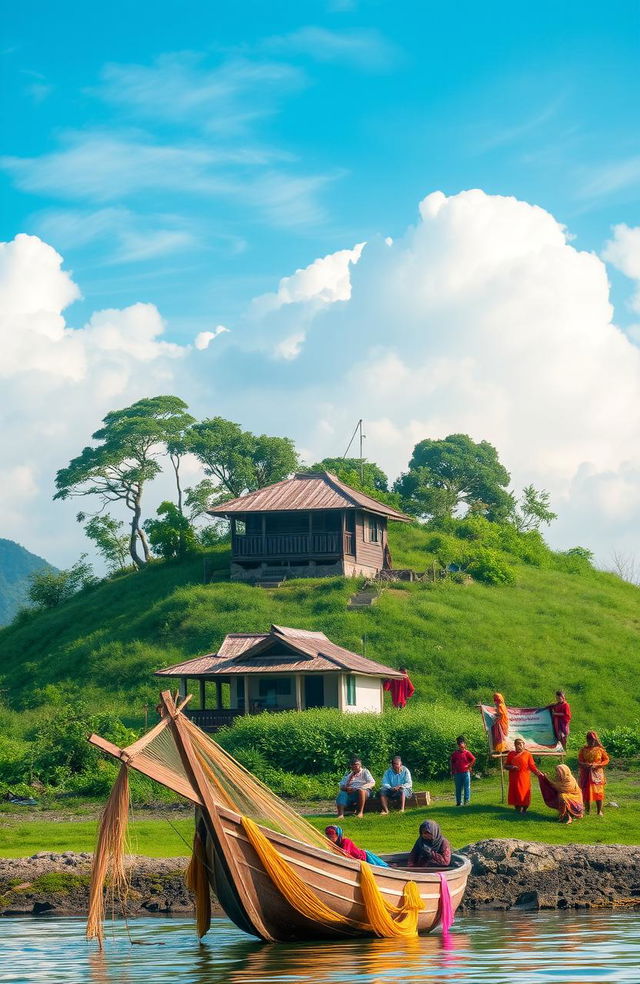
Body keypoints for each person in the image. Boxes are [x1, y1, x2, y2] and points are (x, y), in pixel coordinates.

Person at [505, 737, 542, 813]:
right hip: (514, 778)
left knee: (524, 793)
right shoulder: (511, 754)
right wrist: (511, 767)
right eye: (517, 745)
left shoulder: (528, 754)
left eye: (521, 744)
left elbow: (532, 766)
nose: (519, 746)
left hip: (524, 778)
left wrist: (539, 774)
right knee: (516, 793)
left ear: (524, 745)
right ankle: (517, 809)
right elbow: (505, 765)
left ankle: (525, 809)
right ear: (515, 745)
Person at [578, 731, 610, 817]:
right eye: (589, 740)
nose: (591, 742)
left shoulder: (600, 750)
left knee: (598, 792)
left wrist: (597, 765)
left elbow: (606, 760)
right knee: (586, 792)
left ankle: (599, 811)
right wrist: (584, 765)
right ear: (587, 740)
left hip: (597, 774)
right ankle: (587, 811)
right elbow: (580, 761)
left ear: (595, 740)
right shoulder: (583, 750)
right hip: (586, 773)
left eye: (593, 740)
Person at [325, 825, 389, 867]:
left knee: (380, 868)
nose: (329, 838)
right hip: (356, 860)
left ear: (338, 835)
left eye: (331, 836)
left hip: (364, 857)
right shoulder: (333, 844)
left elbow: (345, 854)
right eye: (328, 836)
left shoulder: (346, 841)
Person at [450, 735, 476, 806]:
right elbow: (452, 762)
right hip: (457, 773)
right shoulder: (455, 754)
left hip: (466, 773)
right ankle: (458, 802)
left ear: (465, 745)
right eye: (460, 746)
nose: (462, 747)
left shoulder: (467, 753)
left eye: (463, 746)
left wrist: (469, 766)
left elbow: (473, 759)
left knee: (466, 787)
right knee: (458, 788)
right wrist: (452, 771)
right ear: (458, 746)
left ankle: (466, 801)